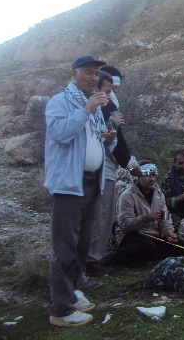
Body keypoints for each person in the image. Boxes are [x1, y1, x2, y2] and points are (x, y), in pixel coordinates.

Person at [44, 55, 116, 327]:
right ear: (74, 74)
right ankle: (60, 309)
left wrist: (107, 139)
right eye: (88, 72)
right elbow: (61, 134)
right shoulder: (59, 103)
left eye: (96, 73)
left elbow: (92, 141)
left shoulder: (95, 107)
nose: (94, 77)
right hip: (68, 185)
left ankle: (72, 293)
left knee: (82, 244)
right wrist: (86, 108)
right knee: (65, 247)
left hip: (91, 182)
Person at [84, 70, 141, 278]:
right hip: (102, 170)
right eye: (107, 89)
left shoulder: (106, 105)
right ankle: (91, 261)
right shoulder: (105, 106)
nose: (111, 94)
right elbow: (114, 141)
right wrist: (132, 165)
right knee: (102, 216)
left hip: (102, 168)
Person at [103, 162, 184, 266]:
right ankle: (113, 257)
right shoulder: (127, 196)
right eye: (147, 175)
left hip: (154, 236)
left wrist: (168, 233)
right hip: (133, 235)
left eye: (154, 175)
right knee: (147, 246)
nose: (152, 179)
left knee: (181, 246)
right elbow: (124, 225)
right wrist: (146, 218)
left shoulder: (159, 194)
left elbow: (166, 217)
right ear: (138, 176)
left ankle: (139, 257)